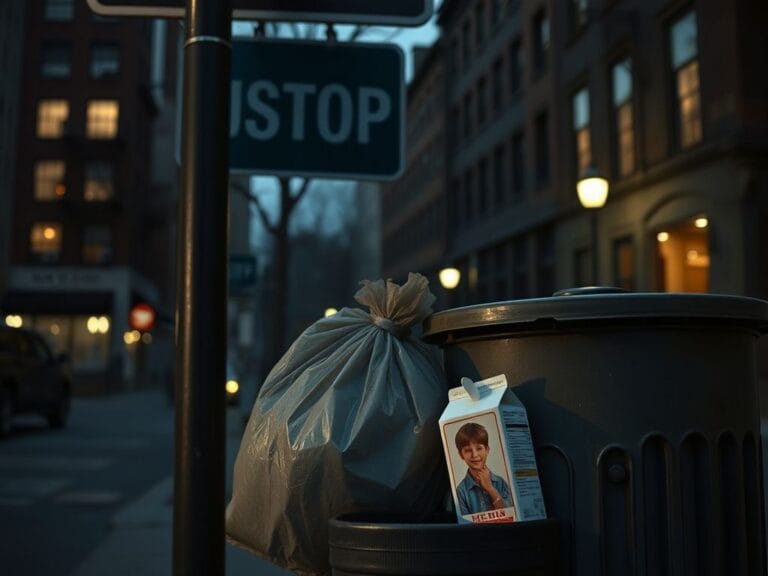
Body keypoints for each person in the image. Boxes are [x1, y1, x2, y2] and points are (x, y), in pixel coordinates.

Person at [454, 422, 513, 515]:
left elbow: (511, 515)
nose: (475, 455)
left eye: (479, 448)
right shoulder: (460, 491)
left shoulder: (500, 482)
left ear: (487, 450)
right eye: (468, 450)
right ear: (461, 455)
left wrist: (490, 488)